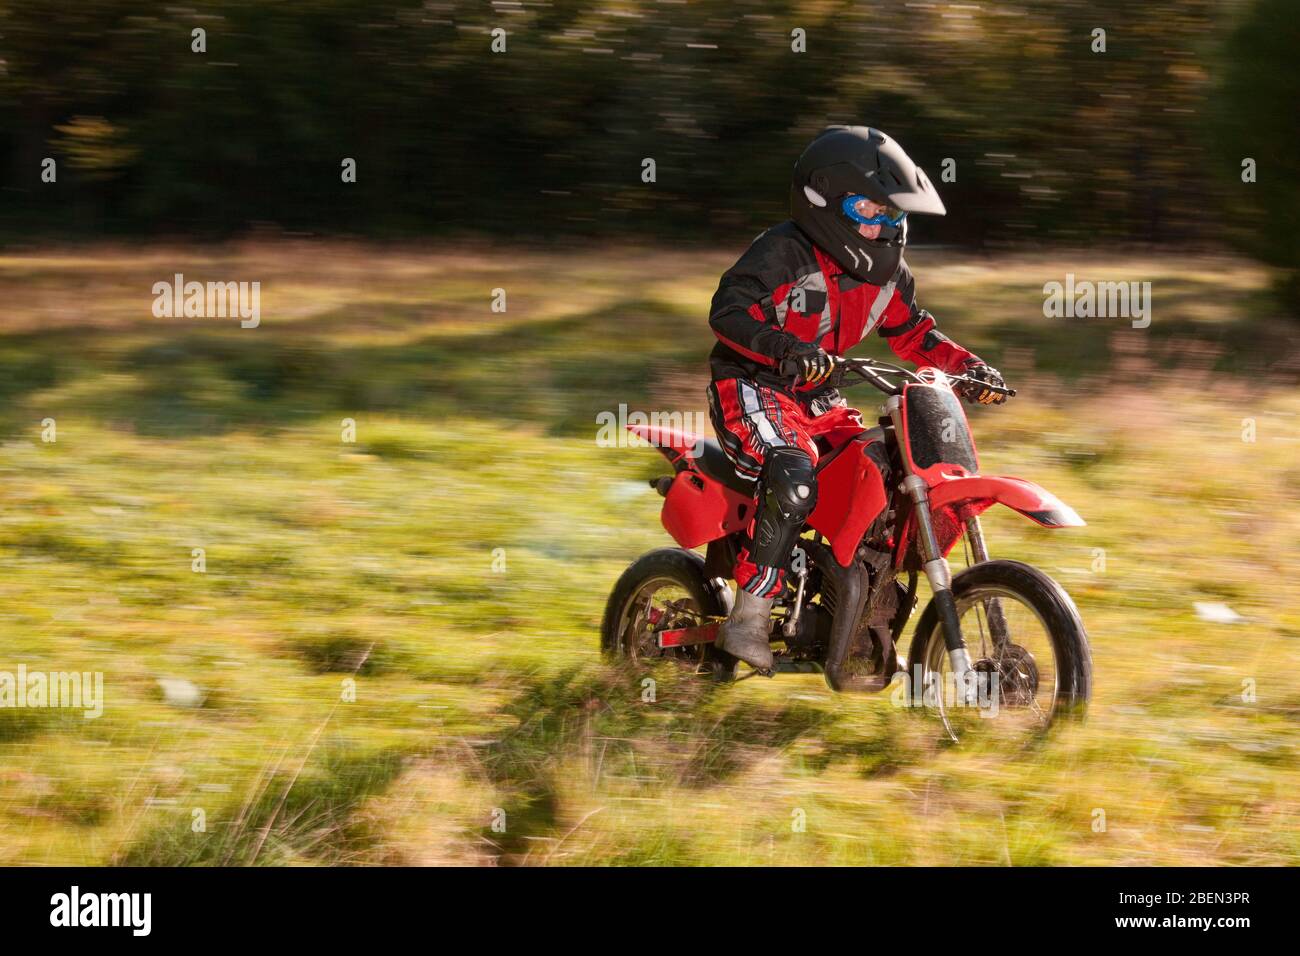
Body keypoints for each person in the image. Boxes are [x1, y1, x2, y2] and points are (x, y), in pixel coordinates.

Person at [707, 125, 1008, 669]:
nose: (884, 226)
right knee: (795, 474)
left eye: (892, 215)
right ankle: (748, 617)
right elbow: (727, 313)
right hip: (753, 388)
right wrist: (784, 349)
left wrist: (970, 368)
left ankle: (846, 601)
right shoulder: (783, 253)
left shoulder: (888, 276)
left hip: (819, 399)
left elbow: (914, 333)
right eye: (870, 211)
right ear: (823, 200)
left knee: (882, 477)